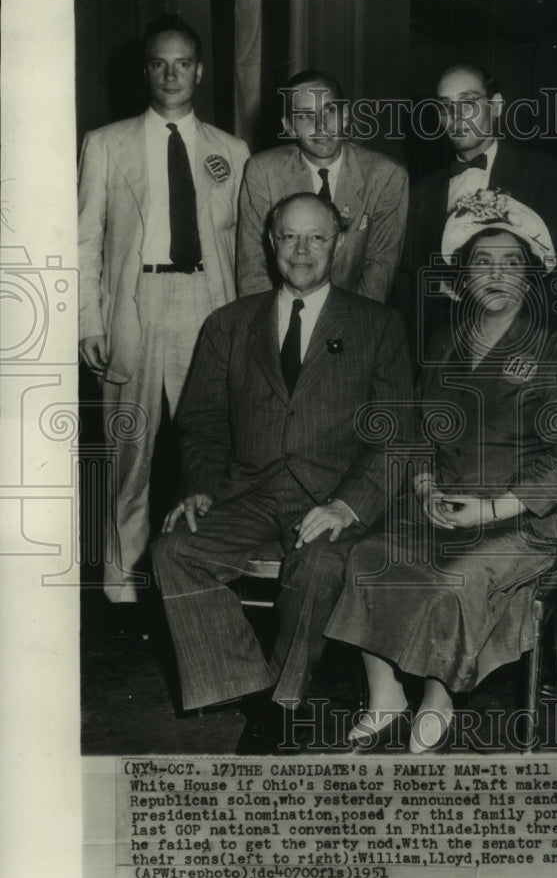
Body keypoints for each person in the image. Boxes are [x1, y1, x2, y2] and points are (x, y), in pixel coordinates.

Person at [325, 190, 557, 753]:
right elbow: (421, 431)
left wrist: (493, 507)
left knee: (455, 578)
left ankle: (436, 700)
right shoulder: (448, 342)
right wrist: (424, 484)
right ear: (464, 277)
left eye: (510, 263)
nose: (496, 276)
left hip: (525, 519)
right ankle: (384, 697)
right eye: (482, 264)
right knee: (367, 555)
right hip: (446, 504)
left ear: (531, 276)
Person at [151, 192, 414, 752]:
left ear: (337, 244)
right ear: (270, 243)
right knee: (174, 551)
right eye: (290, 237)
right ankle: (252, 685)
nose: (302, 250)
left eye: (316, 237)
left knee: (317, 566)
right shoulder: (228, 323)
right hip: (246, 489)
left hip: (331, 494)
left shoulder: (378, 324)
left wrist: (348, 505)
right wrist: (198, 486)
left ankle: (280, 705)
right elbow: (199, 422)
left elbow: (397, 434)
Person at [78, 13, 250, 617]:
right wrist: (88, 324)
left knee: (214, 449)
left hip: (209, 304)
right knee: (131, 453)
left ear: (199, 70)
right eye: (159, 63)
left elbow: (241, 247)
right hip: (136, 306)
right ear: (145, 70)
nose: (171, 74)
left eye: (183, 63)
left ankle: (207, 576)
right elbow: (84, 241)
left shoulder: (232, 151)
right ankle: (122, 586)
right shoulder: (105, 143)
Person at [391, 62, 557, 357]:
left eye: (468, 103)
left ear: (496, 105)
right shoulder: (422, 192)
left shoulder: (543, 173)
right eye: (445, 107)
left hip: (516, 354)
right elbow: (407, 291)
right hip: (439, 360)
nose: (455, 117)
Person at [236, 69, 409, 302]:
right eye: (306, 115)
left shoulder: (386, 175)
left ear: (345, 115)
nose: (321, 125)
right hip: (281, 311)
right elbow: (252, 266)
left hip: (354, 315)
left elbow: (380, 269)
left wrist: (352, 327)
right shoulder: (263, 171)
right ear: (289, 126)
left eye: (329, 110)